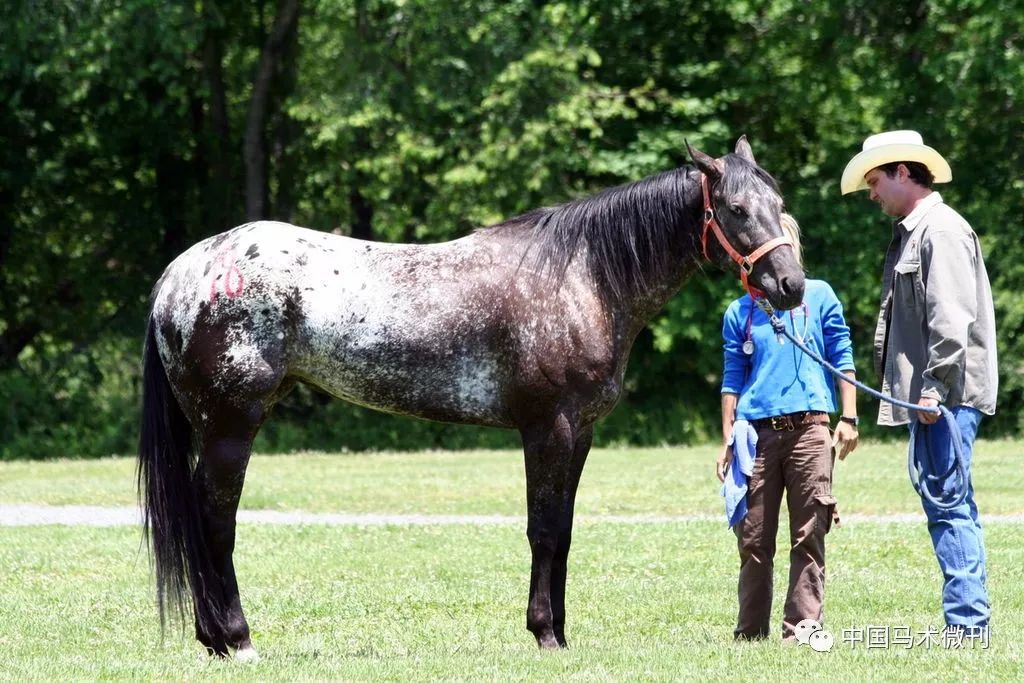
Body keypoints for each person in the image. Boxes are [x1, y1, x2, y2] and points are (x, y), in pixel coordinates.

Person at [841, 130, 997, 635]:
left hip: (944, 397)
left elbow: (951, 318)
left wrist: (931, 387)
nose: (871, 194)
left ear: (903, 173)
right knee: (949, 502)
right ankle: (968, 624)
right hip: (938, 396)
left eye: (875, 181)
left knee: (948, 505)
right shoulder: (917, 231)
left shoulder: (942, 231)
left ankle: (967, 627)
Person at [716, 213, 860, 641]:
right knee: (755, 539)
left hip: (811, 432)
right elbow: (731, 379)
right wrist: (727, 438)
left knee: (810, 534)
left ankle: (801, 628)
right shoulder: (739, 311)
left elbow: (842, 355)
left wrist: (848, 417)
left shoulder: (819, 296)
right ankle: (750, 632)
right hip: (757, 436)